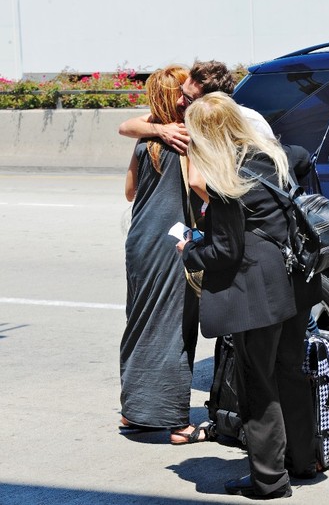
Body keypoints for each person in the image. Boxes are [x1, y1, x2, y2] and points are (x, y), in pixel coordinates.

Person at [176, 92, 322, 499]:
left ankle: (269, 480)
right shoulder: (277, 156)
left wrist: (189, 251)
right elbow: (304, 161)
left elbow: (225, 250)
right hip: (296, 281)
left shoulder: (227, 178)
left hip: (258, 291)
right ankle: (303, 462)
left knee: (259, 383)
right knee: (291, 371)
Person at [120, 65, 211, 445]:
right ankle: (178, 423)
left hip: (140, 241)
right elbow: (198, 185)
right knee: (175, 326)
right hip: (172, 244)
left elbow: (129, 192)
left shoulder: (146, 142)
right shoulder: (184, 139)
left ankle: (133, 412)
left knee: (141, 324)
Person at [118, 60, 274, 154]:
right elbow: (125, 127)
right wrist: (160, 130)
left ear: (212, 103)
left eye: (187, 98)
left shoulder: (251, 122)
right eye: (181, 91)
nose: (178, 101)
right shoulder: (183, 120)